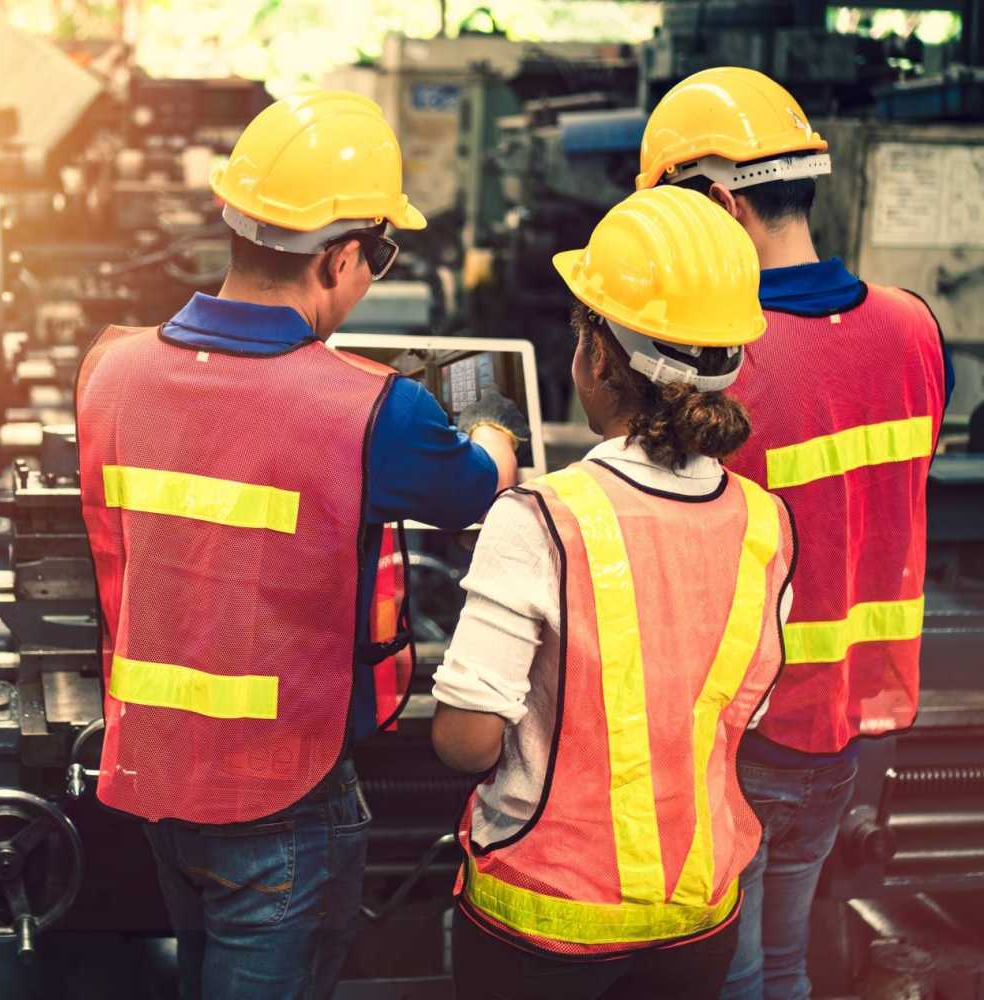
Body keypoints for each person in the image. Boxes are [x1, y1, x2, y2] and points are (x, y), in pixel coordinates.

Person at [75, 90, 523, 1000]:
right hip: (284, 793)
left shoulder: (111, 370)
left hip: (157, 772)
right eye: (377, 259)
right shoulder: (370, 408)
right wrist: (492, 430)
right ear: (341, 257)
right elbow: (477, 487)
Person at [432, 184, 797, 1000]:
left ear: (597, 358)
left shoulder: (540, 517)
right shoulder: (767, 525)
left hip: (543, 923)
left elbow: (466, 742)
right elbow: (738, 711)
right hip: (697, 918)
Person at [637, 67, 952, 1000]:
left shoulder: (725, 365)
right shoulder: (914, 328)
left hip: (742, 724)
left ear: (721, 206)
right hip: (850, 721)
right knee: (784, 960)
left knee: (728, 974)